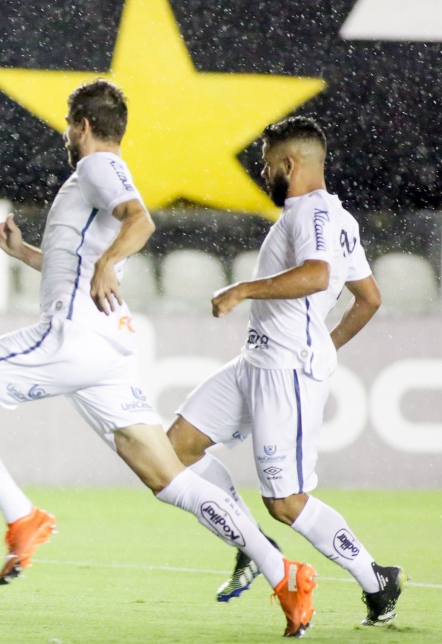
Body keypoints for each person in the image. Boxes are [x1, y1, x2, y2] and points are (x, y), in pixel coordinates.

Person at [0, 80, 315, 637]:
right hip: (104, 350)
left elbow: (140, 220)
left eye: (67, 125)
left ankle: (21, 516)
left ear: (81, 126)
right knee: (169, 480)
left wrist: (109, 262)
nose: (66, 134)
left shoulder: (96, 167)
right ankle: (284, 574)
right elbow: (75, 264)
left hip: (71, 337)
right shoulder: (90, 181)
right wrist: (22, 252)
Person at [167, 116, 405, 627]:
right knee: (176, 450)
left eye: (268, 164)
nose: (263, 171)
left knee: (286, 501)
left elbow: (319, 275)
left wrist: (243, 289)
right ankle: (251, 544)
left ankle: (376, 579)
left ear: (289, 164)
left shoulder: (313, 214)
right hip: (257, 361)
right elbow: (369, 298)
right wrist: (327, 341)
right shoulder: (336, 218)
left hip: (285, 371)